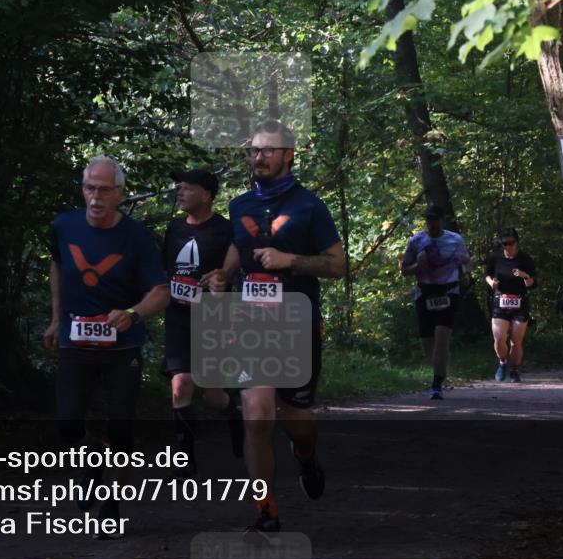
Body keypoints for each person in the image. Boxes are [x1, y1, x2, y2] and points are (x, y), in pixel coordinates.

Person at [221, 120, 345, 535]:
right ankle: (265, 511)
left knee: (298, 422)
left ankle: (306, 456)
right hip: (251, 322)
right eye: (254, 150)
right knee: (255, 414)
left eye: (269, 150)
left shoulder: (311, 207)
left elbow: (338, 264)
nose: (260, 157)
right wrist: (223, 276)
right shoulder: (238, 206)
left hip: (296, 321)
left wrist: (290, 260)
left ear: (289, 155)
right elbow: (238, 248)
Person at [43, 156, 170, 525]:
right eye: (89, 188)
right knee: (67, 425)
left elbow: (160, 292)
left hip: (121, 346)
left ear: (119, 193)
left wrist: (132, 314)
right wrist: (55, 319)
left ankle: (112, 506)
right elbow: (57, 264)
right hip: (74, 340)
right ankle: (91, 458)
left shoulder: (137, 237)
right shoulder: (63, 226)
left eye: (103, 190)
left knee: (121, 427)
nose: (95, 197)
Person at [162, 168, 244, 477]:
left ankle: (232, 413)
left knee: (211, 394)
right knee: (181, 384)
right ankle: (185, 461)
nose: (180, 192)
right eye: (178, 187)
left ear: (207, 194)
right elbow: (162, 270)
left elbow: (236, 271)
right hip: (179, 316)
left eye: (187, 188)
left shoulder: (225, 230)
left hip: (213, 318)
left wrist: (222, 279)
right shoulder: (174, 229)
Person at [400, 204, 471, 400]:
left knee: (441, 339)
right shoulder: (416, 241)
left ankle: (436, 384)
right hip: (425, 293)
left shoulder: (455, 240)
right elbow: (404, 270)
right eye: (429, 220)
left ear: (441, 220)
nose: (432, 224)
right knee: (428, 347)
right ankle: (441, 366)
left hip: (449, 292)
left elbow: (466, 261)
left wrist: (465, 274)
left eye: (436, 220)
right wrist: (417, 265)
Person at [484, 228, 537, 383]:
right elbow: (487, 274)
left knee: (516, 341)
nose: (507, 247)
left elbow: (532, 283)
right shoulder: (495, 258)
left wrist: (524, 275)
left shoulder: (525, 259)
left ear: (517, 243)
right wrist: (491, 283)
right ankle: (502, 362)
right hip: (500, 301)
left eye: (510, 243)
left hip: (520, 303)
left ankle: (514, 370)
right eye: (504, 244)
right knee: (499, 338)